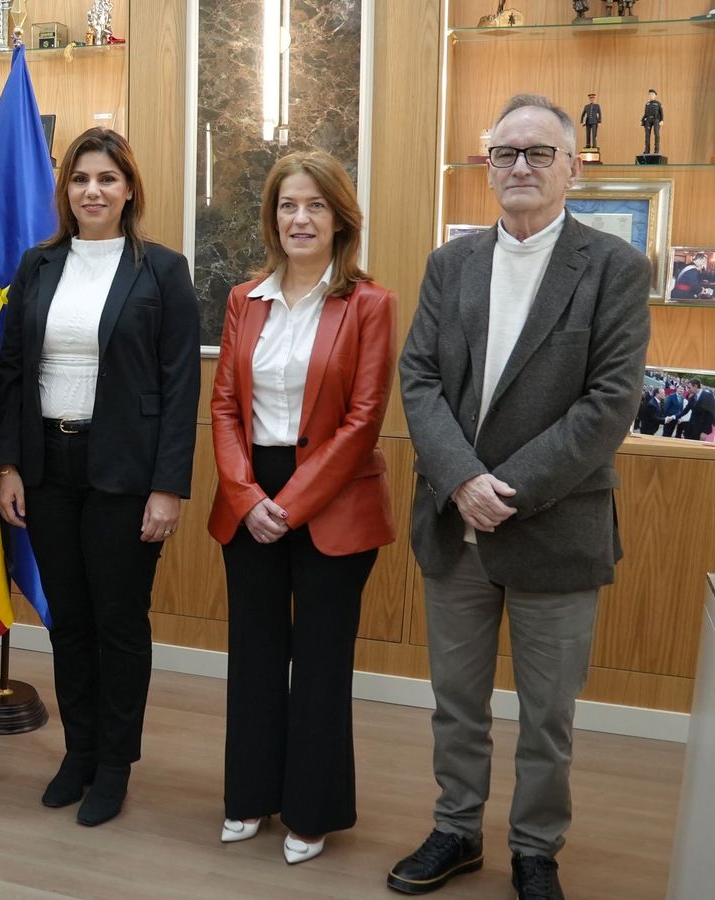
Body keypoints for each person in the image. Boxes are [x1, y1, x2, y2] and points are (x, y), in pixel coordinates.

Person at [392, 94, 650, 900]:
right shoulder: (451, 263)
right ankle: (457, 829)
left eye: (540, 153)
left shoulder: (614, 268)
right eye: (506, 153)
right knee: (456, 702)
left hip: (554, 528)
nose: (521, 168)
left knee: (547, 717)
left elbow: (609, 402)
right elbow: (420, 378)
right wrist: (462, 480)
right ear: (488, 166)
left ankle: (536, 851)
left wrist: (506, 489)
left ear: (573, 167)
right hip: (455, 523)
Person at [0, 127, 201, 827]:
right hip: (48, 467)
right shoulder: (38, 264)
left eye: (107, 179)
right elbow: (13, 371)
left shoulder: (162, 270)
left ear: (130, 188)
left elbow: (179, 387)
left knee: (118, 623)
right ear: (66, 191)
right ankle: (77, 754)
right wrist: (8, 465)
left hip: (126, 473)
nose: (93, 192)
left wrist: (168, 486)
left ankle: (114, 765)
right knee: (68, 622)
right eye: (81, 179)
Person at [208, 151, 396, 865]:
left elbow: (363, 419)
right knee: (254, 655)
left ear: (339, 219)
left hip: (333, 501)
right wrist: (249, 496)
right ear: (272, 217)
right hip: (249, 494)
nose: (300, 218)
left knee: (319, 664)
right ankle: (250, 795)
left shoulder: (369, 303)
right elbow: (224, 406)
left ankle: (311, 811)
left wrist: (289, 506)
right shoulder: (242, 299)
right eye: (288, 204)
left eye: (315, 205)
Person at [640, 89, 663, 156]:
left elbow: (661, 113)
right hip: (648, 120)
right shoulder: (647, 104)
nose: (651, 95)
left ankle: (656, 150)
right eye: (650, 94)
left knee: (657, 135)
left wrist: (662, 120)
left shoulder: (658, 103)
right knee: (647, 135)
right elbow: (645, 113)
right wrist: (642, 120)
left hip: (656, 120)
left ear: (655, 95)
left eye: (652, 94)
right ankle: (646, 150)